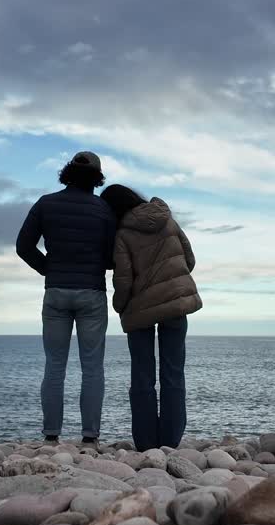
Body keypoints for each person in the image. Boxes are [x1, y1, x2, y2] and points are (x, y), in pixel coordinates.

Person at [16, 151, 116, 445]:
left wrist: (48, 268)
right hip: (92, 293)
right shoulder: (103, 210)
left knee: (55, 366)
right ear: (97, 178)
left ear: (67, 173)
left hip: (56, 292)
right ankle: (90, 438)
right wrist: (95, 265)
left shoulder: (46, 204)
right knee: (93, 367)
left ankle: (51, 437)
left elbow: (24, 246)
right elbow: (111, 257)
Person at [100, 184, 202, 451]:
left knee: (142, 376)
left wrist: (119, 305)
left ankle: (146, 443)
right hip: (176, 305)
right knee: (173, 372)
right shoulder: (167, 219)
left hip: (140, 310)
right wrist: (171, 283)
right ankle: (170, 441)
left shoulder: (123, 234)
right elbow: (188, 259)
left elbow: (123, 280)